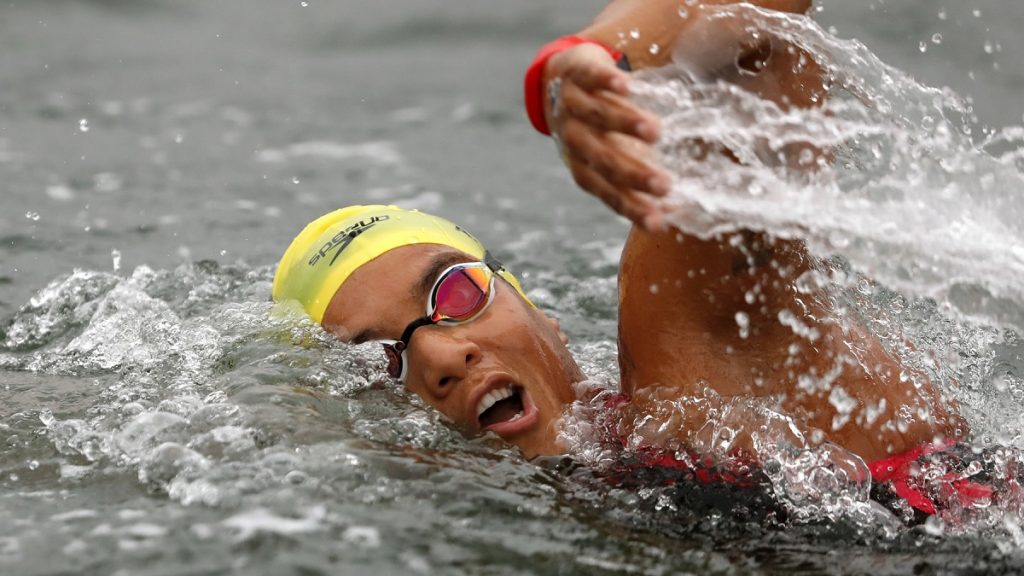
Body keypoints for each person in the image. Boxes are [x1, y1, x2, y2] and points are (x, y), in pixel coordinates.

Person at [272, 0, 979, 519]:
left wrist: (589, 62)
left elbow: (755, 38)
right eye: (379, 361)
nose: (441, 358)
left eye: (456, 293)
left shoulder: (692, 374)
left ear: (543, 314)